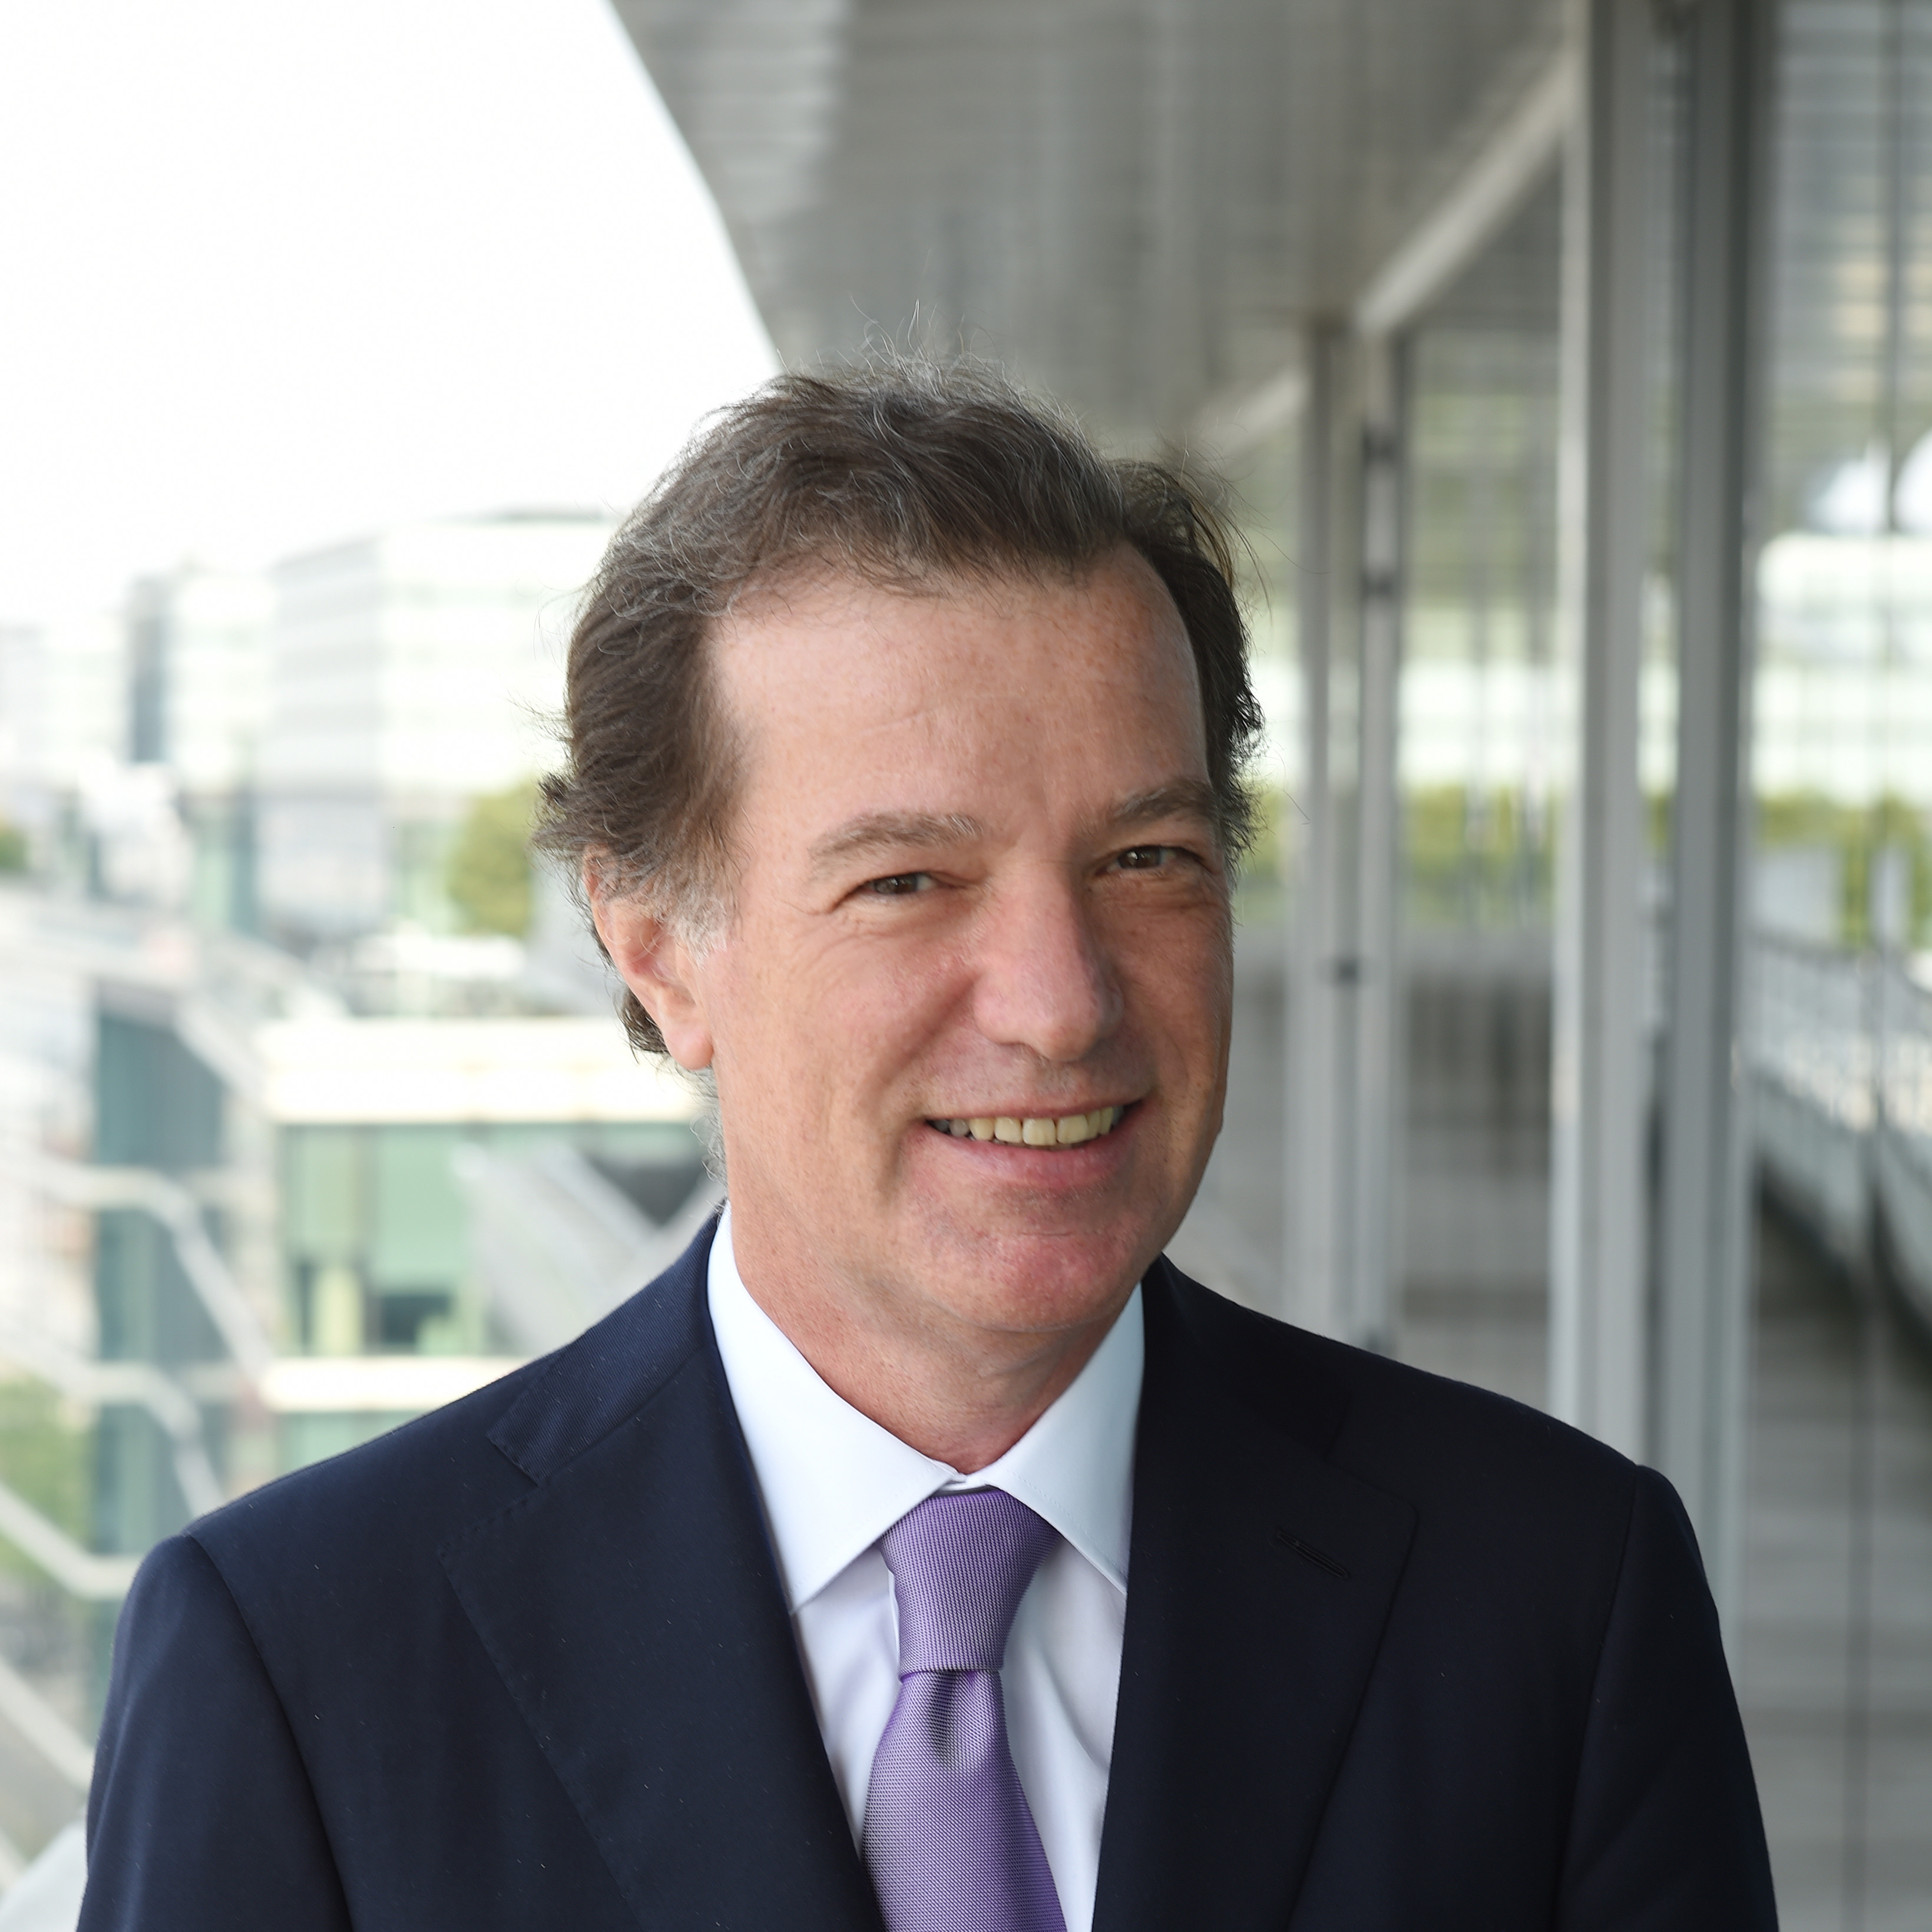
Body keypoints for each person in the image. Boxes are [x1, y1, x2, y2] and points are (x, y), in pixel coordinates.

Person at [79, 362, 1777, 1931]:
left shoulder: (1557, 1601)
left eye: (1148, 861)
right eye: (908, 882)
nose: (1058, 1005)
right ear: (659, 951)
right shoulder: (302, 1666)